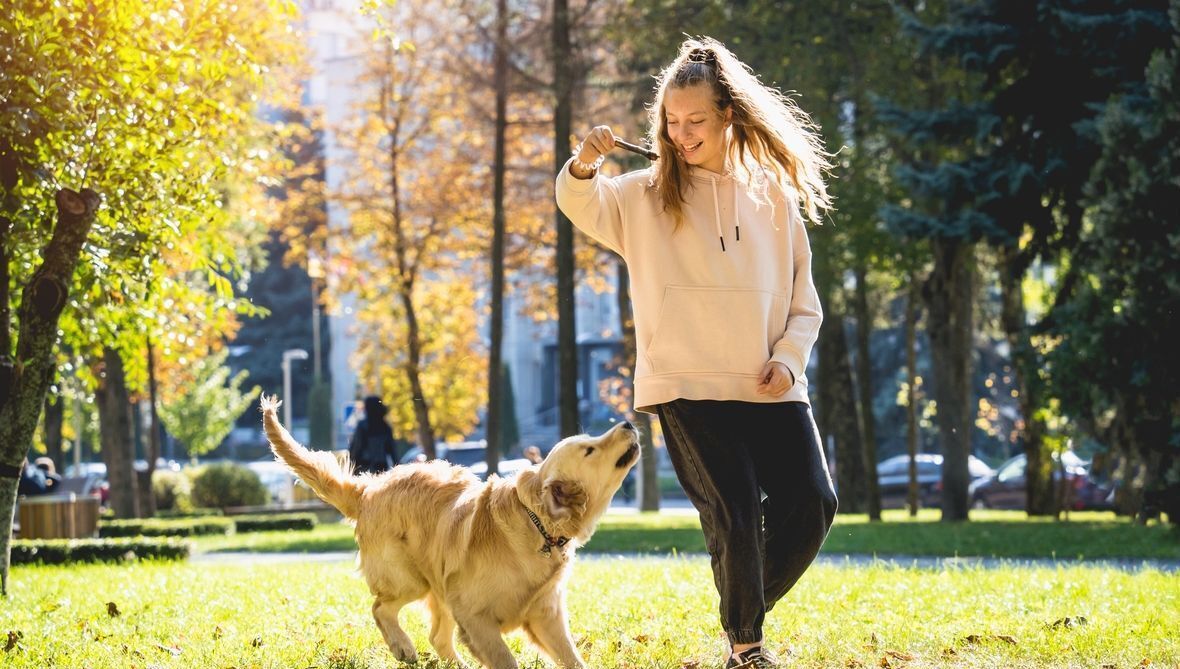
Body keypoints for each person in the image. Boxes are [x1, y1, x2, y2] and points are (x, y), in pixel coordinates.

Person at [555, 37, 838, 668]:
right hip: (685, 383)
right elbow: (581, 202)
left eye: (696, 122)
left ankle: (742, 609)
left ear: (727, 116)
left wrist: (790, 359)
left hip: (769, 382)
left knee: (813, 501)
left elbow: (805, 303)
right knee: (735, 509)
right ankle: (748, 647)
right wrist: (583, 164)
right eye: (671, 123)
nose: (682, 135)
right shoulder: (644, 194)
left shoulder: (773, 196)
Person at [348, 395, 401, 475]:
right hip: (381, 471)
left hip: (363, 471)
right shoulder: (385, 428)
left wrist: (350, 468)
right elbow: (393, 454)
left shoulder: (363, 426)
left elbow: (356, 449)